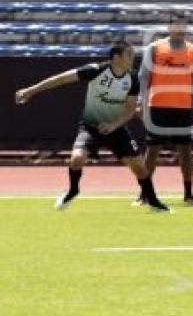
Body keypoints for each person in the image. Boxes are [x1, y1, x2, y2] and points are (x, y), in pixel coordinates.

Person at [14, 40, 170, 212]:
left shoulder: (132, 79)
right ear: (116, 57)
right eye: (129, 55)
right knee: (77, 159)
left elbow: (130, 109)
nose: (133, 58)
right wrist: (30, 91)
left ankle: (154, 202)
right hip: (90, 127)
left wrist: (113, 125)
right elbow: (60, 79)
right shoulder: (96, 71)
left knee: (140, 168)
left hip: (116, 129)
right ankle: (73, 191)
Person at [137, 11, 193, 207]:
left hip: (183, 106)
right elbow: (144, 77)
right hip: (158, 105)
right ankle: (144, 194)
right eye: (175, 24)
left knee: (185, 151)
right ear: (168, 27)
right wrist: (141, 101)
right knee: (152, 151)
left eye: (182, 24)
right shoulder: (154, 48)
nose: (179, 28)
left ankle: (188, 194)